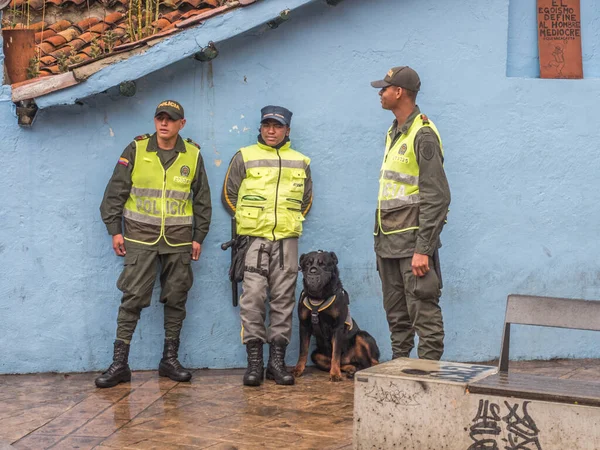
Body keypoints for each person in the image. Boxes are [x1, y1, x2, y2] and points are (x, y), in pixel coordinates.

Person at [96, 100, 212, 388]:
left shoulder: (193, 155)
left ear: (181, 124)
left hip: (179, 241)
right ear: (154, 121)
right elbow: (114, 193)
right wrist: (115, 230)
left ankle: (169, 360)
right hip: (139, 238)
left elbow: (202, 201)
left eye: (171, 119)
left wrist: (199, 237)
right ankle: (120, 364)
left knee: (176, 298)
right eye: (160, 118)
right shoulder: (136, 150)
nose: (164, 123)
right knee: (132, 299)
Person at [222, 105, 313, 386]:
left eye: (277, 126)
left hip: (287, 240)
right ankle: (254, 363)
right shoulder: (244, 156)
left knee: (284, 300)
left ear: (287, 130)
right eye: (267, 125)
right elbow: (229, 194)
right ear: (260, 128)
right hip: (254, 241)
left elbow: (306, 200)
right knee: (253, 298)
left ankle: (276, 363)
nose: (271, 131)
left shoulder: (301, 161)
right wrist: (248, 222)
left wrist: (289, 222)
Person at [371, 67, 451, 360]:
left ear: (399, 92)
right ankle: (398, 379)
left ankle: (428, 384)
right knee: (397, 319)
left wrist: (423, 249)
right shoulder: (393, 132)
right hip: (388, 243)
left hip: (412, 246)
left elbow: (438, 197)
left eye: (384, 88)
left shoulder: (423, 134)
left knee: (424, 314)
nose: (380, 93)